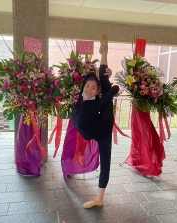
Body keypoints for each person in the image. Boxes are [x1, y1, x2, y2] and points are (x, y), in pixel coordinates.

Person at [72, 34, 119, 208]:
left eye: (94, 87)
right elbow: (100, 84)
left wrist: (112, 86)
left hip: (103, 126)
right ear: (83, 88)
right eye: (87, 86)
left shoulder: (96, 103)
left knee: (108, 83)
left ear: (97, 91)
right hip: (96, 124)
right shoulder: (81, 101)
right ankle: (104, 52)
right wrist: (104, 78)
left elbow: (114, 89)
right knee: (104, 78)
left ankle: (99, 197)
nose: (90, 89)